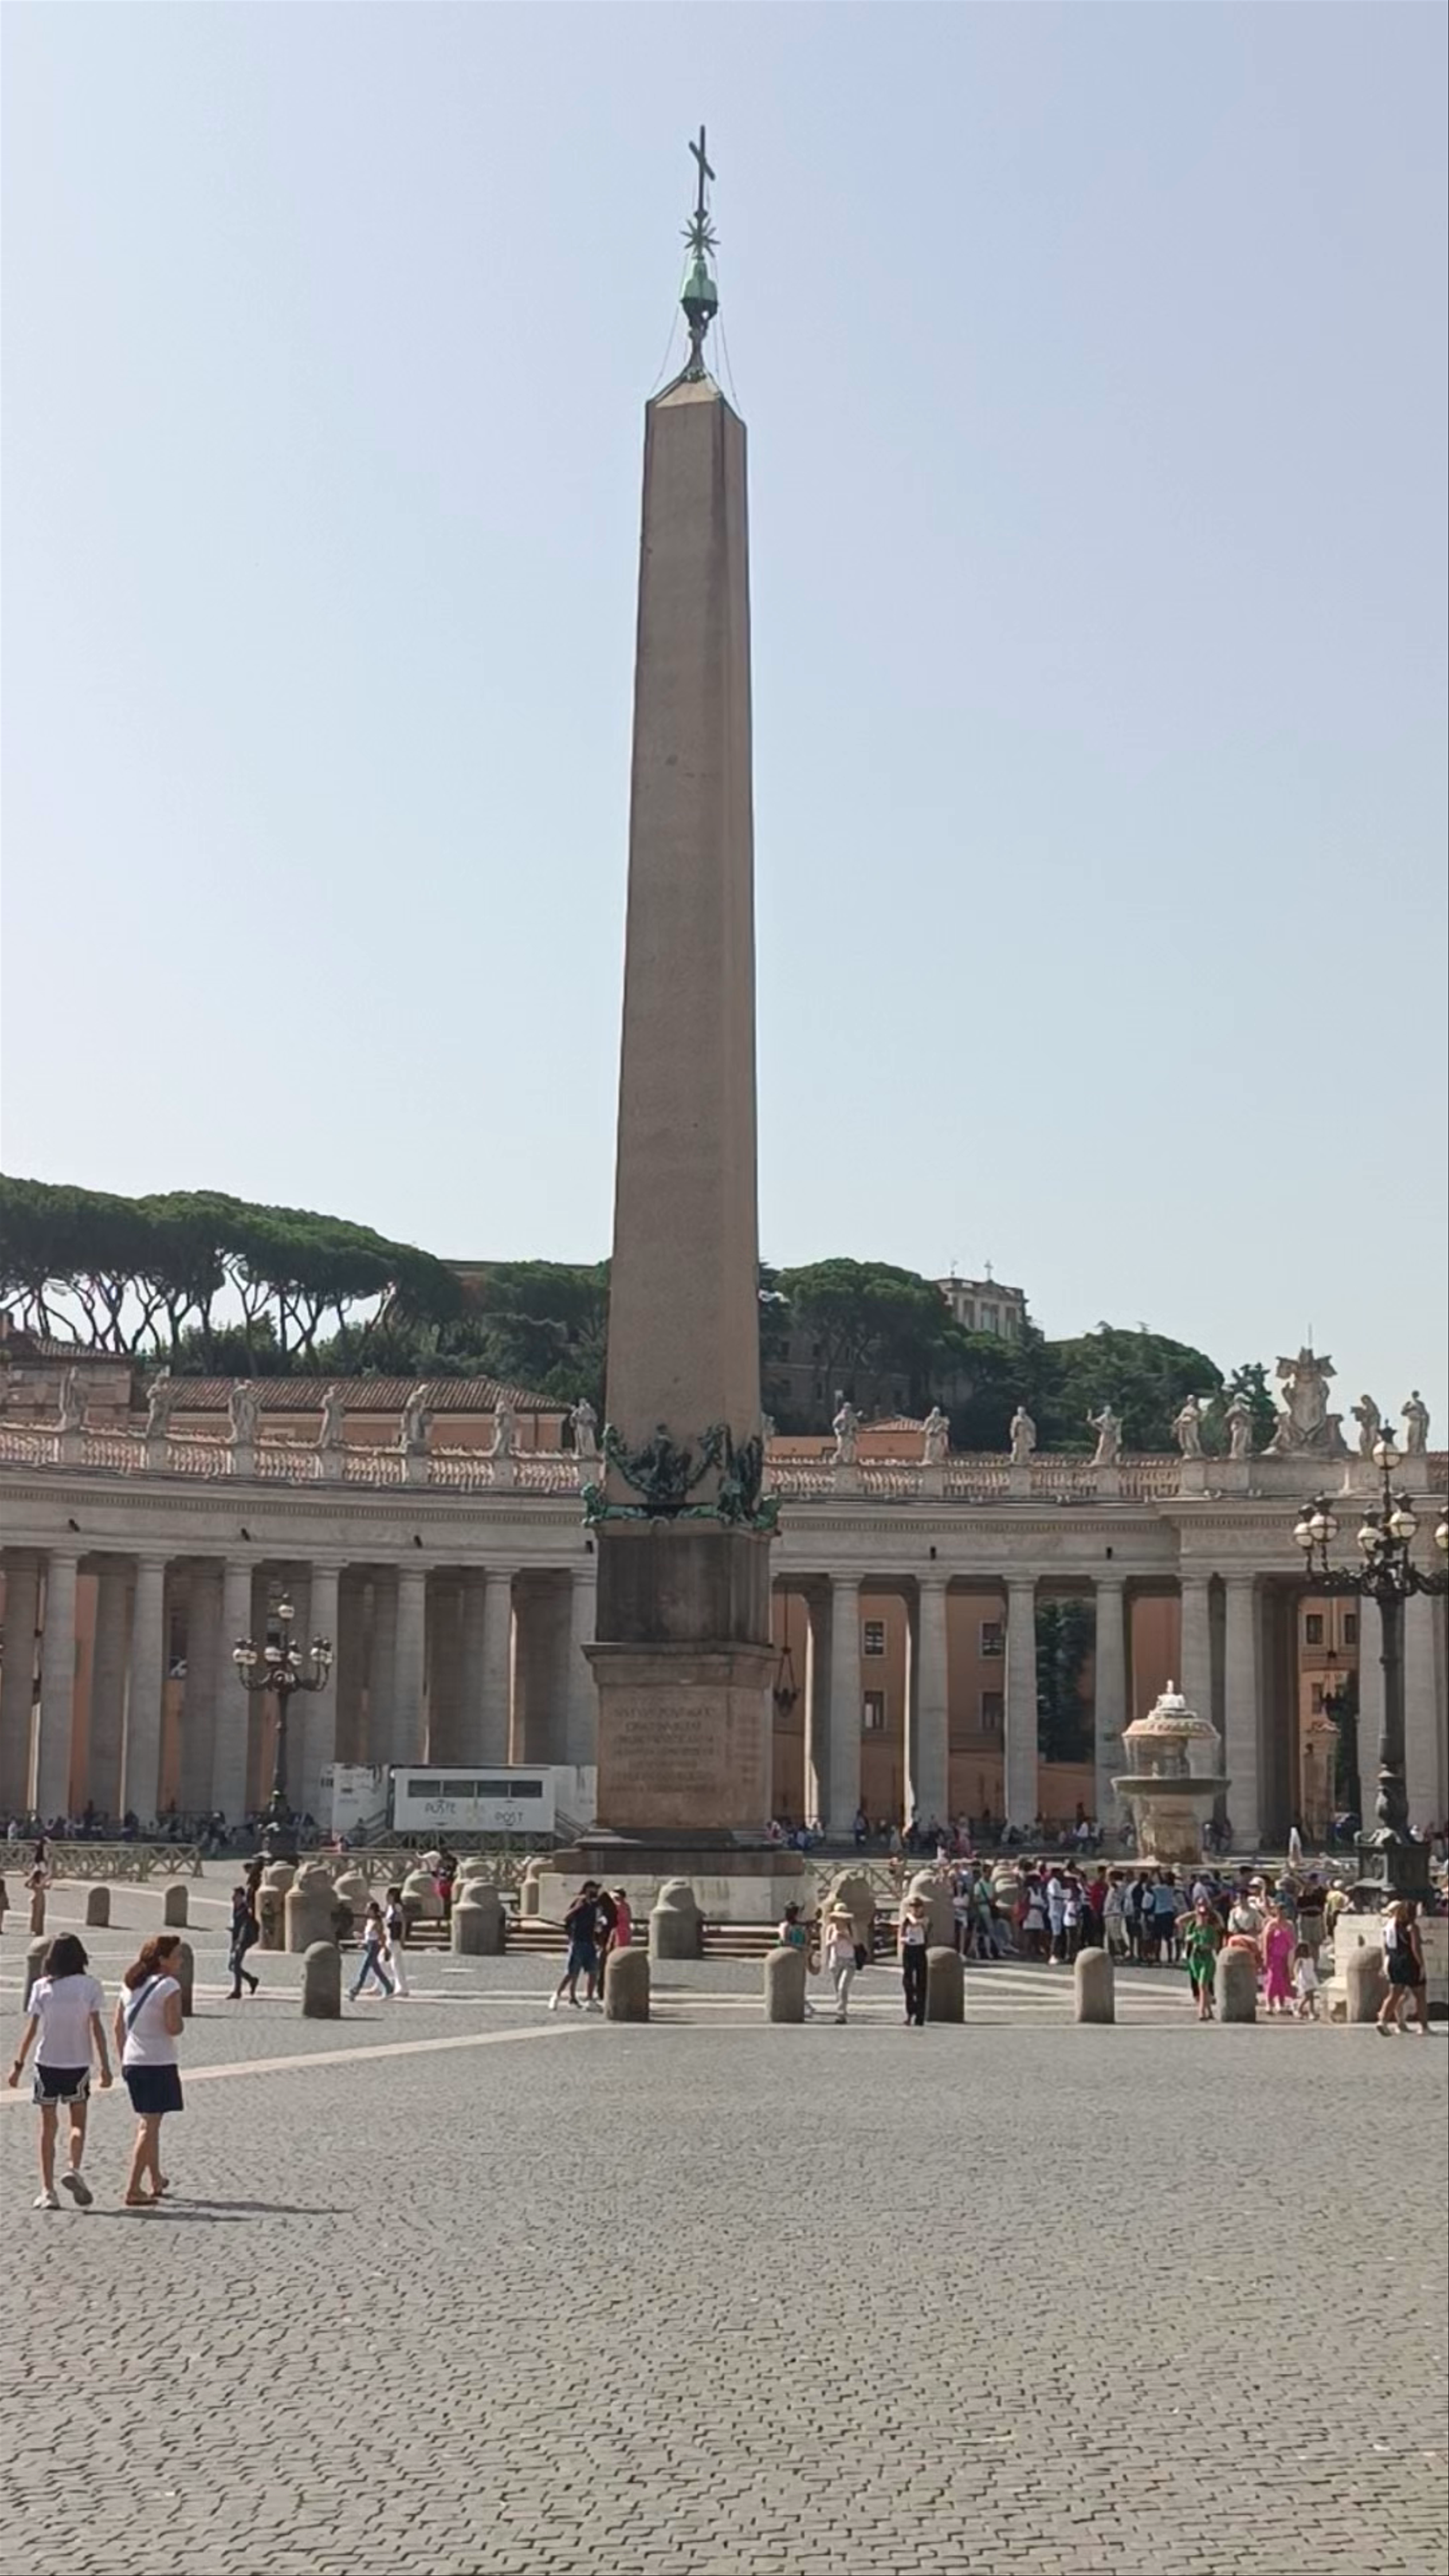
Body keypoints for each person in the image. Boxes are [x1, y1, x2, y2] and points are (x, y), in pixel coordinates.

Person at [8, 1933, 112, 2207]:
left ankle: (48, 2190)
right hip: (77, 2063)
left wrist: (18, 2064)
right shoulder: (90, 1986)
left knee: (48, 2127)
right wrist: (106, 2066)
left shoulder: (42, 1987)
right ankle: (73, 2167)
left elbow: (32, 2029)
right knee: (77, 2123)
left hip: (47, 2063)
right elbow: (97, 2028)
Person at [115, 1935, 185, 2207]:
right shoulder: (169, 1986)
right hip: (158, 2062)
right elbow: (173, 2027)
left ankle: (155, 2179)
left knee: (150, 2122)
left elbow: (118, 2028)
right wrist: (180, 2023)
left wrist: (124, 2059)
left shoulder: (129, 1985)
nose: (181, 1960)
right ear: (162, 1960)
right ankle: (133, 2188)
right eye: (177, 1955)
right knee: (149, 2125)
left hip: (133, 2061)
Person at [1378, 1901, 1429, 2038]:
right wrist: (1422, 1965)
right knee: (1420, 1995)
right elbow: (1415, 1948)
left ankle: (1383, 2021)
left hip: (1394, 1961)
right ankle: (1424, 2027)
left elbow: (1386, 1946)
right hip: (1410, 1963)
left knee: (1395, 1994)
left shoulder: (1390, 1926)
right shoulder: (1413, 1927)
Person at [549, 1882, 602, 2013]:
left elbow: (598, 1921)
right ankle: (557, 1995)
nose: (594, 1893)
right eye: (592, 1890)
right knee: (571, 1973)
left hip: (590, 1942)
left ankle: (590, 1999)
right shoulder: (579, 1902)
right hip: (578, 1941)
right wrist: (577, 1908)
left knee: (593, 1971)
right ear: (586, 1890)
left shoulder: (595, 1906)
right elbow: (566, 1918)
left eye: (596, 1890)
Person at [1181, 1901, 1221, 2024]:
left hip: (1207, 1959)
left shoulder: (1211, 1929)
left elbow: (1216, 1944)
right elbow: (1186, 1938)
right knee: (1203, 1987)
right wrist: (1193, 1936)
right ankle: (1209, 2011)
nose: (1203, 1917)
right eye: (1200, 1914)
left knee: (1203, 1985)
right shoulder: (1193, 1926)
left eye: (1205, 1915)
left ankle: (1201, 2011)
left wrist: (1207, 1946)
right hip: (1195, 1958)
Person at [349, 1901, 395, 2002]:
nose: (367, 1910)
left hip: (374, 1947)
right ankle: (389, 1987)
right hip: (370, 1945)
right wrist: (361, 1938)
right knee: (377, 1970)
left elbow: (381, 1937)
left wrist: (385, 1948)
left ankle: (355, 1990)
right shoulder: (370, 1921)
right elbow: (369, 1936)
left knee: (364, 1969)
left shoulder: (377, 1923)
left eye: (369, 1909)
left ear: (373, 1911)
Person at [822, 1904, 858, 2023]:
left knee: (843, 1987)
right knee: (838, 1989)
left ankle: (841, 2013)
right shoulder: (831, 1928)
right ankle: (842, 2007)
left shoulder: (852, 1927)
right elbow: (827, 1944)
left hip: (849, 1960)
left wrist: (847, 1937)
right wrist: (834, 1940)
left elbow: (856, 1943)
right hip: (836, 1960)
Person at [1260, 1901, 1295, 2016]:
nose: (1282, 1913)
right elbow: (1265, 1941)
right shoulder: (1271, 1924)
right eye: (1280, 1910)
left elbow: (1293, 1943)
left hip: (1285, 1957)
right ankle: (1269, 2003)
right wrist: (1265, 1957)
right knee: (1272, 1980)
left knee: (1283, 1981)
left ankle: (1280, 2003)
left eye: (1284, 1910)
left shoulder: (1289, 1925)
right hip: (1273, 1957)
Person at [900, 1893, 929, 2028]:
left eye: (918, 1907)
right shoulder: (906, 1920)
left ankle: (920, 2015)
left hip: (920, 1949)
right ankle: (910, 2011)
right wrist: (906, 1940)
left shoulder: (926, 1919)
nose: (916, 1909)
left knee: (921, 1982)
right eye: (912, 1907)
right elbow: (901, 1936)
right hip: (909, 1949)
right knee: (908, 1982)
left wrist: (910, 1916)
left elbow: (918, 1923)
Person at [226, 1884, 260, 1999]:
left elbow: (245, 1927)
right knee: (231, 1966)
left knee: (235, 1965)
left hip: (244, 1940)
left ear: (241, 1897)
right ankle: (252, 1980)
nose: (233, 1898)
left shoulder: (245, 1911)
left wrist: (239, 1943)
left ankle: (237, 1991)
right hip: (237, 1940)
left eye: (236, 1895)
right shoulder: (236, 1908)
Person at [382, 1887, 410, 1999]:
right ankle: (399, 1986)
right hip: (389, 1935)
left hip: (395, 1937)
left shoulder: (397, 1907)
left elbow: (403, 1922)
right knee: (392, 1963)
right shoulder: (389, 1907)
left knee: (397, 1963)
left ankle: (402, 1988)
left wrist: (403, 1937)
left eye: (391, 1896)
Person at [1292, 1941, 1321, 2021]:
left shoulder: (1311, 1959)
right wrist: (1296, 1978)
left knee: (1311, 1996)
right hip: (1304, 1979)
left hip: (1311, 1978)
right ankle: (1299, 2009)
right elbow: (1296, 1969)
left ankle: (1311, 2012)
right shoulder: (1300, 1960)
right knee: (1307, 1996)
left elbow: (1313, 1968)